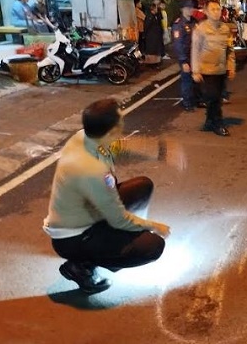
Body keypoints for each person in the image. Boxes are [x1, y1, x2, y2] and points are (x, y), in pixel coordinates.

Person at [42, 98, 171, 294]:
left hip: (89, 214)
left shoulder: (86, 137)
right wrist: (153, 226)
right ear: (110, 130)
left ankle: (120, 241)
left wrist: (160, 151)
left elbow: (120, 146)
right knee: (153, 246)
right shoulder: (91, 169)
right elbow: (118, 218)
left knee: (142, 187)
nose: (123, 125)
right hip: (75, 237)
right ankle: (82, 266)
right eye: (120, 122)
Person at [191, 0, 235, 137]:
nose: (216, 12)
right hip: (207, 70)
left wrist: (231, 67)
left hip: (221, 70)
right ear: (206, 12)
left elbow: (230, 50)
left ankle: (209, 121)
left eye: (218, 9)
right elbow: (195, 50)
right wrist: (195, 70)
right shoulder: (201, 29)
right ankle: (218, 123)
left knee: (213, 98)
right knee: (214, 97)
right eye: (213, 9)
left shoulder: (225, 29)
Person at [172, 0, 200, 112]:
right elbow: (178, 44)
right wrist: (183, 61)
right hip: (186, 56)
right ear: (182, 9)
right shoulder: (178, 24)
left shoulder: (194, 22)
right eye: (188, 8)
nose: (191, 10)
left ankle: (197, 100)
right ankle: (187, 103)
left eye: (192, 8)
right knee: (187, 80)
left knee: (197, 79)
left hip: (196, 56)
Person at [144, 2, 165, 68]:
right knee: (151, 51)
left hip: (156, 36)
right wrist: (145, 35)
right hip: (151, 37)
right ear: (152, 9)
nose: (157, 9)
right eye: (156, 8)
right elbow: (147, 26)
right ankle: (151, 64)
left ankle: (156, 63)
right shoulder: (149, 16)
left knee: (156, 50)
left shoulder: (156, 16)